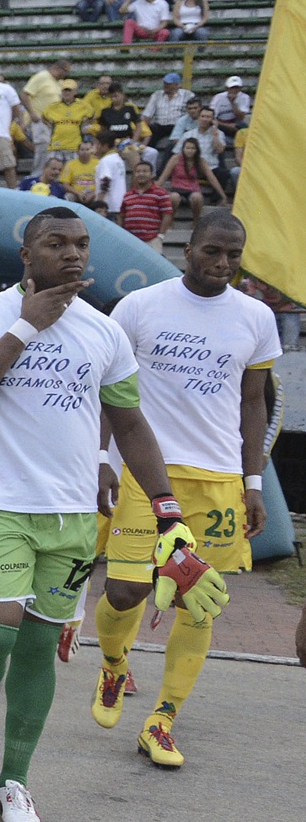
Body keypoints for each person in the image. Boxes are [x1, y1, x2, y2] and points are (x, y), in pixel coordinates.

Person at [0, 206, 224, 822]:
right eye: (56, 243)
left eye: (81, 244)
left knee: (39, 648)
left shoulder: (103, 331)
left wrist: (169, 511)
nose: (72, 253)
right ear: (27, 255)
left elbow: (130, 423)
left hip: (69, 521)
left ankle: (16, 780)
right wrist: (26, 328)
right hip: (1, 508)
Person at [88, 214, 274, 762]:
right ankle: (114, 664)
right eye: (213, 251)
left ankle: (163, 720)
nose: (223, 264)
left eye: (233, 255)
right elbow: (109, 388)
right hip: (147, 475)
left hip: (217, 481)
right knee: (125, 591)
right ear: (187, 248)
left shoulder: (256, 317)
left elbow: (252, 401)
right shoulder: (142, 307)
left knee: (200, 605)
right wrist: (100, 456)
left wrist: (253, 482)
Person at [157, 137, 226, 221]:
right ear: (183, 149)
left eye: (193, 148)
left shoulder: (200, 161)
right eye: (187, 148)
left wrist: (223, 196)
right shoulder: (175, 158)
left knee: (197, 198)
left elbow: (212, 178)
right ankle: (170, 221)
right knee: (173, 197)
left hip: (193, 189)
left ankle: (196, 221)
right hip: (177, 188)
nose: (189, 150)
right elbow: (164, 177)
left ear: (197, 150)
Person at [118, 159, 174, 249]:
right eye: (138, 172)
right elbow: (121, 215)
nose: (141, 174)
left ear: (152, 174)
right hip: (130, 240)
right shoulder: (128, 195)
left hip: (152, 240)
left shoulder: (161, 193)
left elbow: (167, 215)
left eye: (145, 171)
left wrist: (160, 235)